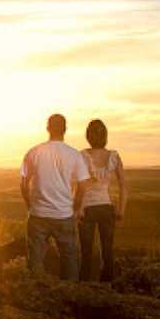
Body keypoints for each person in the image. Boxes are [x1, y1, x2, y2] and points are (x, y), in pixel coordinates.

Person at [20, 114, 92, 280]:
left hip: (38, 215)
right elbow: (83, 186)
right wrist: (75, 208)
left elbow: (24, 184)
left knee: (36, 262)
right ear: (65, 129)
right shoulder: (74, 155)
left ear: (48, 128)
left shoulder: (33, 152)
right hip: (64, 215)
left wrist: (29, 206)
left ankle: (36, 297)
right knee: (69, 260)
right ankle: (70, 297)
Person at [76, 119, 128, 282]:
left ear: (88, 136)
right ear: (105, 135)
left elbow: (81, 186)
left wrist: (77, 208)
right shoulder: (114, 156)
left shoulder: (83, 155)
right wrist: (121, 210)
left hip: (87, 208)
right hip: (106, 207)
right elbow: (124, 186)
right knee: (107, 251)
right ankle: (108, 288)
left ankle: (84, 288)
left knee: (86, 252)